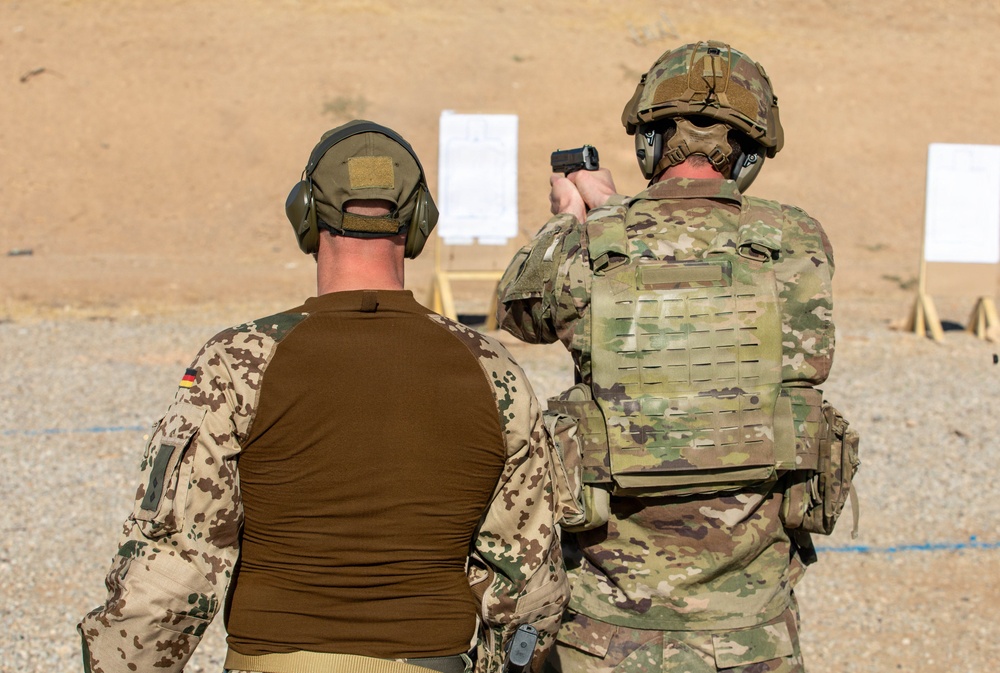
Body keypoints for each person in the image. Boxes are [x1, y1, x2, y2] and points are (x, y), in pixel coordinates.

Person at [79, 120, 569, 673]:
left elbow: (172, 569)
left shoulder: (239, 362)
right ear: (419, 223)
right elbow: (528, 581)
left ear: (305, 215)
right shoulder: (492, 370)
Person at [497, 41, 858, 673]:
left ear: (647, 145)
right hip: (753, 635)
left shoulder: (595, 242)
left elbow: (516, 312)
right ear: (747, 155)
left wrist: (574, 219)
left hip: (603, 635)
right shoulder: (796, 240)